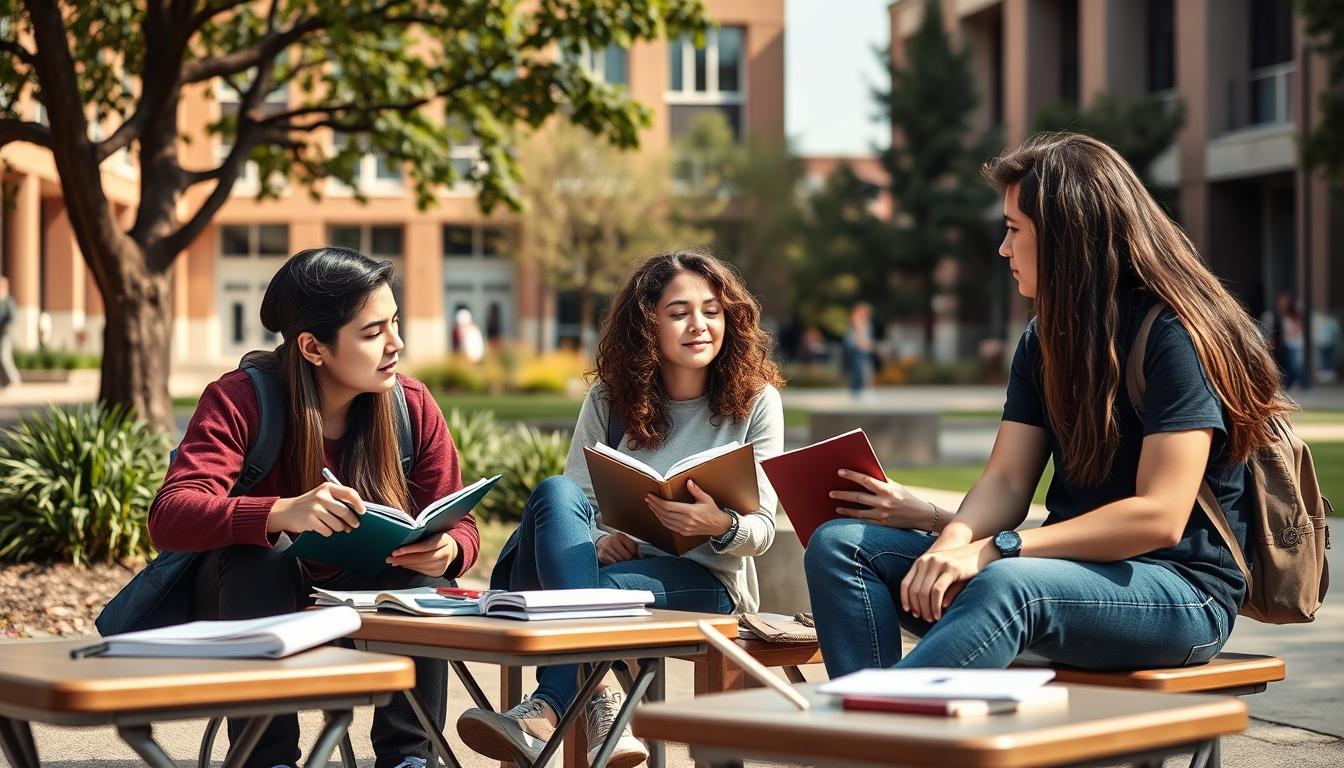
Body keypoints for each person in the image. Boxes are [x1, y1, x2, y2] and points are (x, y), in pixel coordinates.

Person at [804, 133, 1291, 676]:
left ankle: (874, 734)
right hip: (1059, 573)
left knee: (1008, 583)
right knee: (841, 545)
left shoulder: (1176, 335)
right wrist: (958, 540)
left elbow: (1159, 516)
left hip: (1180, 592)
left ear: (1066, 237)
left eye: (1014, 230)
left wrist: (997, 549)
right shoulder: (1043, 341)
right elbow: (1007, 482)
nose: (1002, 249)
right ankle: (876, 737)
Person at [149, 247, 480, 768]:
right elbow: (170, 515)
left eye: (394, 323)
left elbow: (459, 520)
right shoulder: (240, 399)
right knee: (261, 557)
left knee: (416, 582)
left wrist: (449, 549)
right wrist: (280, 513)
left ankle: (410, 759)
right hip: (248, 601)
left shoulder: (411, 404)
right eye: (373, 333)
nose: (396, 344)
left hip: (360, 597)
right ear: (313, 347)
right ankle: (268, 758)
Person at [456, 248, 785, 768]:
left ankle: (552, 708)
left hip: (705, 580)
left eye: (712, 310)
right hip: (606, 569)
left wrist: (718, 525)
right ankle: (601, 696)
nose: (699, 325)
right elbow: (577, 498)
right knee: (552, 494)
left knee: (572, 598)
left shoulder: (756, 400)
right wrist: (594, 540)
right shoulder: (610, 398)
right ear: (647, 322)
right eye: (679, 312)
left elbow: (763, 528)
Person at [842, 302, 875, 397]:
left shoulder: (866, 322)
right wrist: (864, 344)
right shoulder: (856, 321)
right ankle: (856, 390)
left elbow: (868, 337)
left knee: (865, 370)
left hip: (864, 349)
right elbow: (855, 338)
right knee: (858, 370)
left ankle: (860, 390)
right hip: (857, 349)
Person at [0, 277, 20, 389]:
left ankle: (14, 381)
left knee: (4, 357)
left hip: (6, 335)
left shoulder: (8, 301)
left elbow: (12, 318)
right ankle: (4, 383)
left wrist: (5, 327)